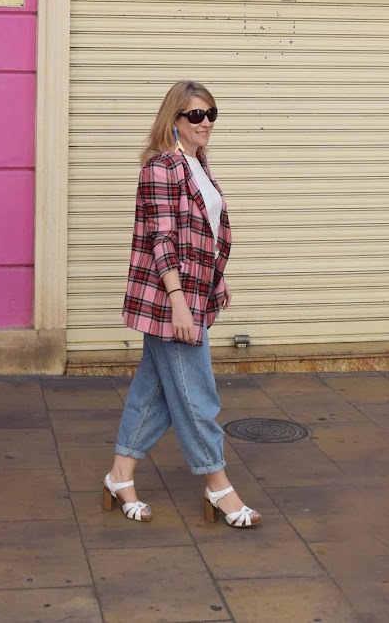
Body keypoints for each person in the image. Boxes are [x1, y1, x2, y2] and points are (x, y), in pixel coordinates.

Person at [103, 80, 262, 529]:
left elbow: (204, 234)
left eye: (212, 114)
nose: (206, 123)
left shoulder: (199, 164)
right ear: (174, 120)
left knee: (152, 393)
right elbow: (162, 239)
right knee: (197, 396)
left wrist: (217, 278)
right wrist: (178, 303)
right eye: (196, 115)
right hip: (168, 299)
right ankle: (218, 487)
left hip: (194, 292)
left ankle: (120, 476)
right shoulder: (161, 167)